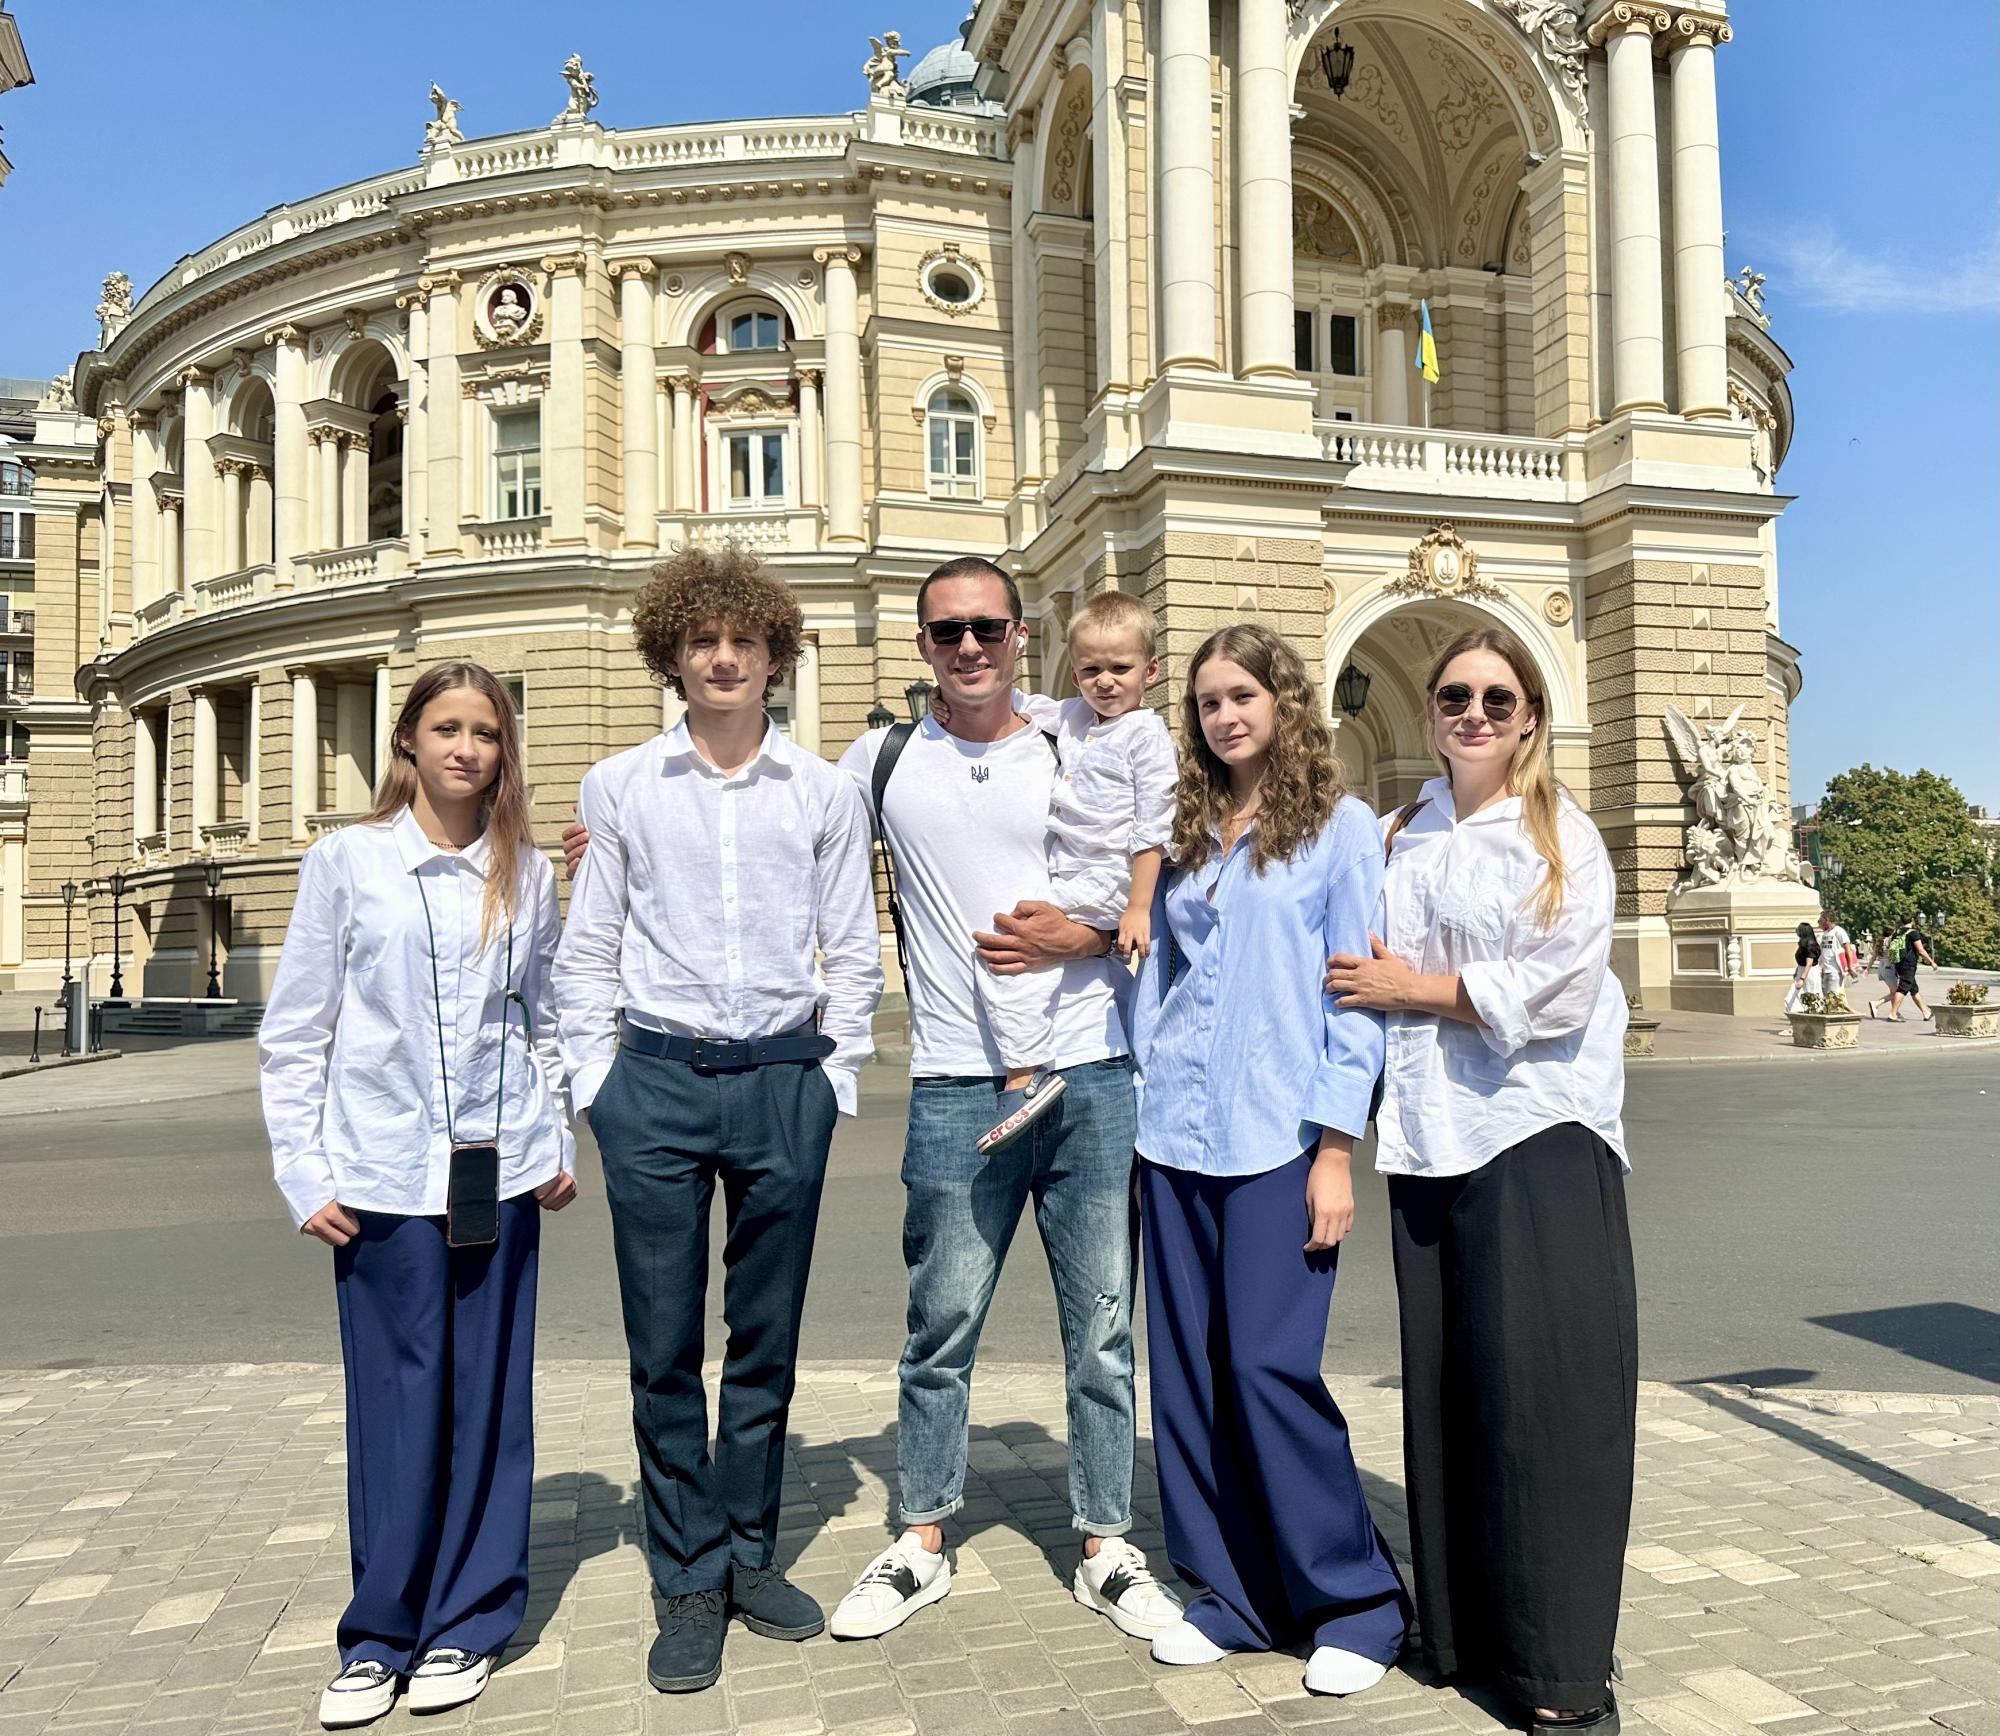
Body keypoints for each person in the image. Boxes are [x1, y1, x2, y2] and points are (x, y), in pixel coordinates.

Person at [824, 555, 1182, 1644]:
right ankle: (922, 1534)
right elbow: (783, 845)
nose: (968, 645)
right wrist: (612, 852)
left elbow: (1168, 859)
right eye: (946, 631)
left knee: (1104, 1331)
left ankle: (1104, 1542)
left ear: (1022, 635)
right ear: (922, 643)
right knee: (940, 1324)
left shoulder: (1081, 737)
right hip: (951, 1079)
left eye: (986, 626)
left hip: (1090, 1072)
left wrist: (1086, 935)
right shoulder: (880, 757)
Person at [553, 548, 882, 1695]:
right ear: (673, 656)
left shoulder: (826, 794)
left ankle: (748, 1553)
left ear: (777, 659)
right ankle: (685, 1574)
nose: (725, 659)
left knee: (766, 1339)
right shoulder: (621, 784)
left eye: (746, 642)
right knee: (660, 1345)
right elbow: (589, 938)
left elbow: (854, 942)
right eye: (703, 642)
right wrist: (592, 1080)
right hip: (652, 1081)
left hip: (784, 1079)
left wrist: (832, 1079)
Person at [1326, 625, 1636, 1735]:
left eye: (1495, 699)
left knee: (1546, 1407)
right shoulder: (1399, 828)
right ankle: (1463, 1637)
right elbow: (1341, 960)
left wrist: (1415, 986)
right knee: (1451, 1392)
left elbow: (1557, 987)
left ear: (1528, 716)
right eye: (1454, 694)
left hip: (1535, 1131)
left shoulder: (1561, 833)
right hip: (1423, 1135)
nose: (1470, 712)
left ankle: (1562, 1670)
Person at [260, 661, 576, 1730]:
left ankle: (468, 1622)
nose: (466, 748)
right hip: (380, 1176)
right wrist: (302, 1170)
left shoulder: (525, 871)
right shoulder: (348, 861)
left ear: (503, 750)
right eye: (447, 727)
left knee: (488, 1406)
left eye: (485, 731)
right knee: (397, 1405)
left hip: (497, 1174)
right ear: (409, 741)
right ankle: (379, 1631)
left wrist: (556, 1131)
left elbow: (552, 1011)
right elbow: (297, 1025)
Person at [1129, 623, 1411, 1695]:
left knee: (1267, 1368)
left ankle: (1356, 1600)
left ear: (1283, 701)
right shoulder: (1192, 826)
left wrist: (1335, 1147)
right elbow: (1160, 975)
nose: (1223, 714)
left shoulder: (1337, 832)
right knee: (1191, 1378)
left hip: (1278, 1137)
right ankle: (1232, 1592)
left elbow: (1355, 1000)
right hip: (1175, 1136)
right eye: (1205, 701)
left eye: (1240, 693)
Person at [973, 588, 1178, 1154]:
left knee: (1011, 950)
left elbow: (1152, 828)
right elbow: (1018, 701)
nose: (1105, 681)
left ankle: (1024, 1076)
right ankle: (1035, 1068)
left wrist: (1137, 906)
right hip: (1072, 873)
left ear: (1151, 671)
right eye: (1090, 669)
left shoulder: (1147, 735)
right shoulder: (1075, 718)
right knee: (1021, 951)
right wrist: (951, 704)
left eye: (1120, 668)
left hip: (1110, 877)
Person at [1877, 914, 1937, 1023]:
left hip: (1898, 964)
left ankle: (1926, 1012)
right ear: (1912, 920)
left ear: (1901, 921)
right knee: (1903, 988)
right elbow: (1921, 950)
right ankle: (1893, 1014)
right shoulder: (1913, 933)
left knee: (1913, 989)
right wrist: (1932, 962)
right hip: (1908, 965)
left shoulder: (1897, 933)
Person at [1785, 922, 1822, 1014]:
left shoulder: (1810, 945)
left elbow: (1809, 963)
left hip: (1809, 973)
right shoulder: (1803, 944)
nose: (1796, 930)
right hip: (1802, 971)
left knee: (1811, 997)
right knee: (1792, 998)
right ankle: (1797, 1022)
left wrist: (1802, 979)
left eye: (1798, 929)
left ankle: (1811, 1020)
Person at [1817, 909, 1855, 997]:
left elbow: (1848, 949)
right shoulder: (1825, 934)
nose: (1819, 922)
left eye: (1821, 919)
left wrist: (1850, 966)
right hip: (1825, 971)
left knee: (1832, 998)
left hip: (1835, 971)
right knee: (1827, 998)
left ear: (1827, 919)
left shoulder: (1839, 932)